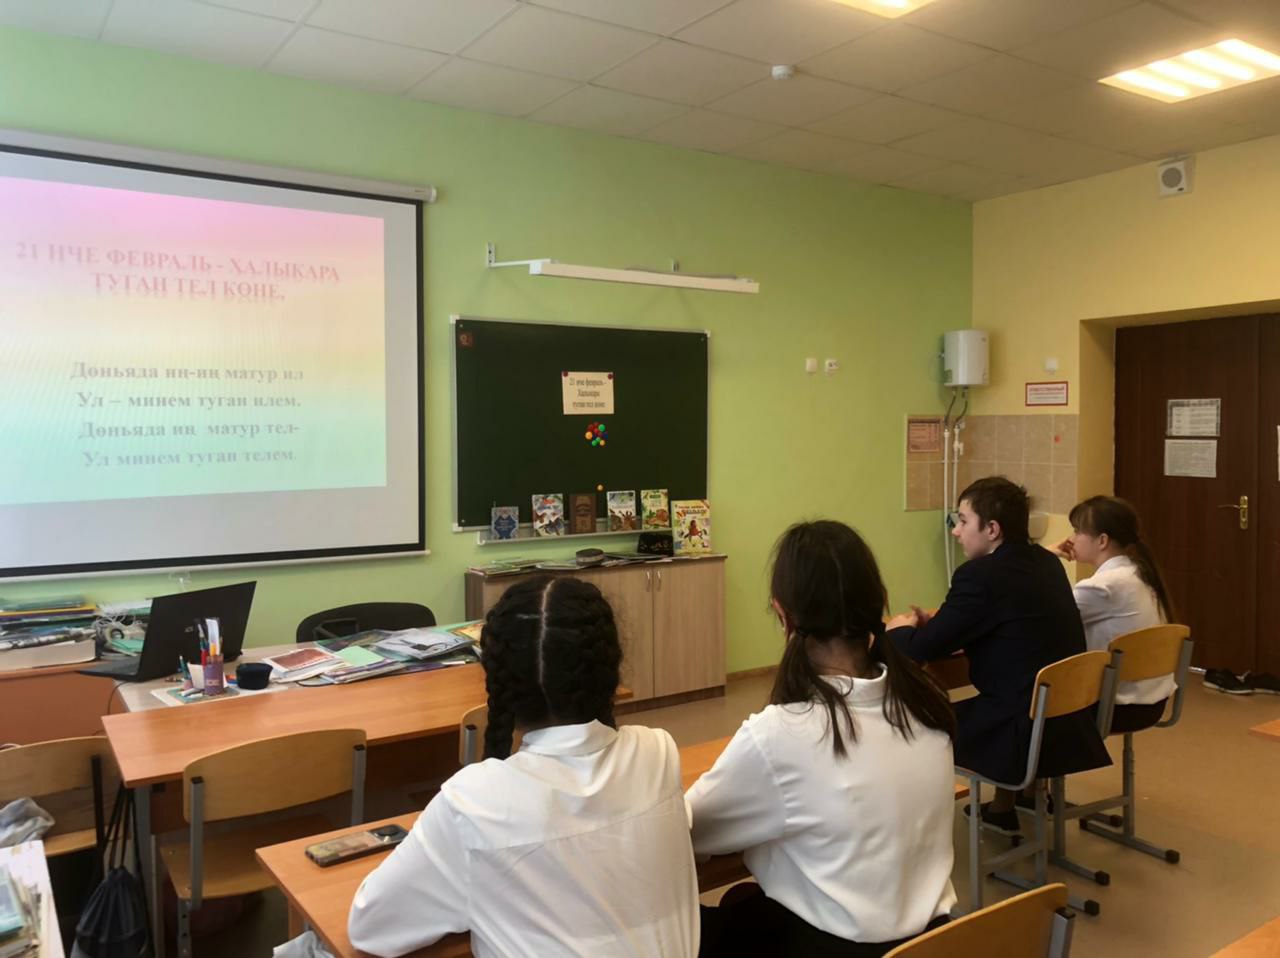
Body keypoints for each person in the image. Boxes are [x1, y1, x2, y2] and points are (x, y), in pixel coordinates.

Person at [348, 576, 699, 958]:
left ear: (497, 680)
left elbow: (369, 927)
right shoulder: (656, 752)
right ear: (609, 668)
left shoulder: (472, 802)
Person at [688, 520, 958, 958]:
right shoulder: (926, 704)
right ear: (879, 602)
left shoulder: (780, 734)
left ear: (782, 615)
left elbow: (690, 830)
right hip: (934, 940)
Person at [886, 477, 1111, 835]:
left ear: (991, 529)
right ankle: (1009, 804)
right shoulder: (1047, 563)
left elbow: (922, 648)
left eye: (962, 521)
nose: (956, 531)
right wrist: (943, 625)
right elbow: (1007, 623)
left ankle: (911, 827)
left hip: (1017, 727)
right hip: (1066, 720)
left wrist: (898, 629)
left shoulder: (979, 576)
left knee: (915, 718)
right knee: (1006, 688)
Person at [1055, 495, 1177, 729]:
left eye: (1077, 531)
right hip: (1151, 700)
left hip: (1117, 705)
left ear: (1102, 541)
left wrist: (1045, 556)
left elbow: (1044, 616)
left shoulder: (1104, 586)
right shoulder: (1138, 572)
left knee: (1024, 702)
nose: (1070, 539)